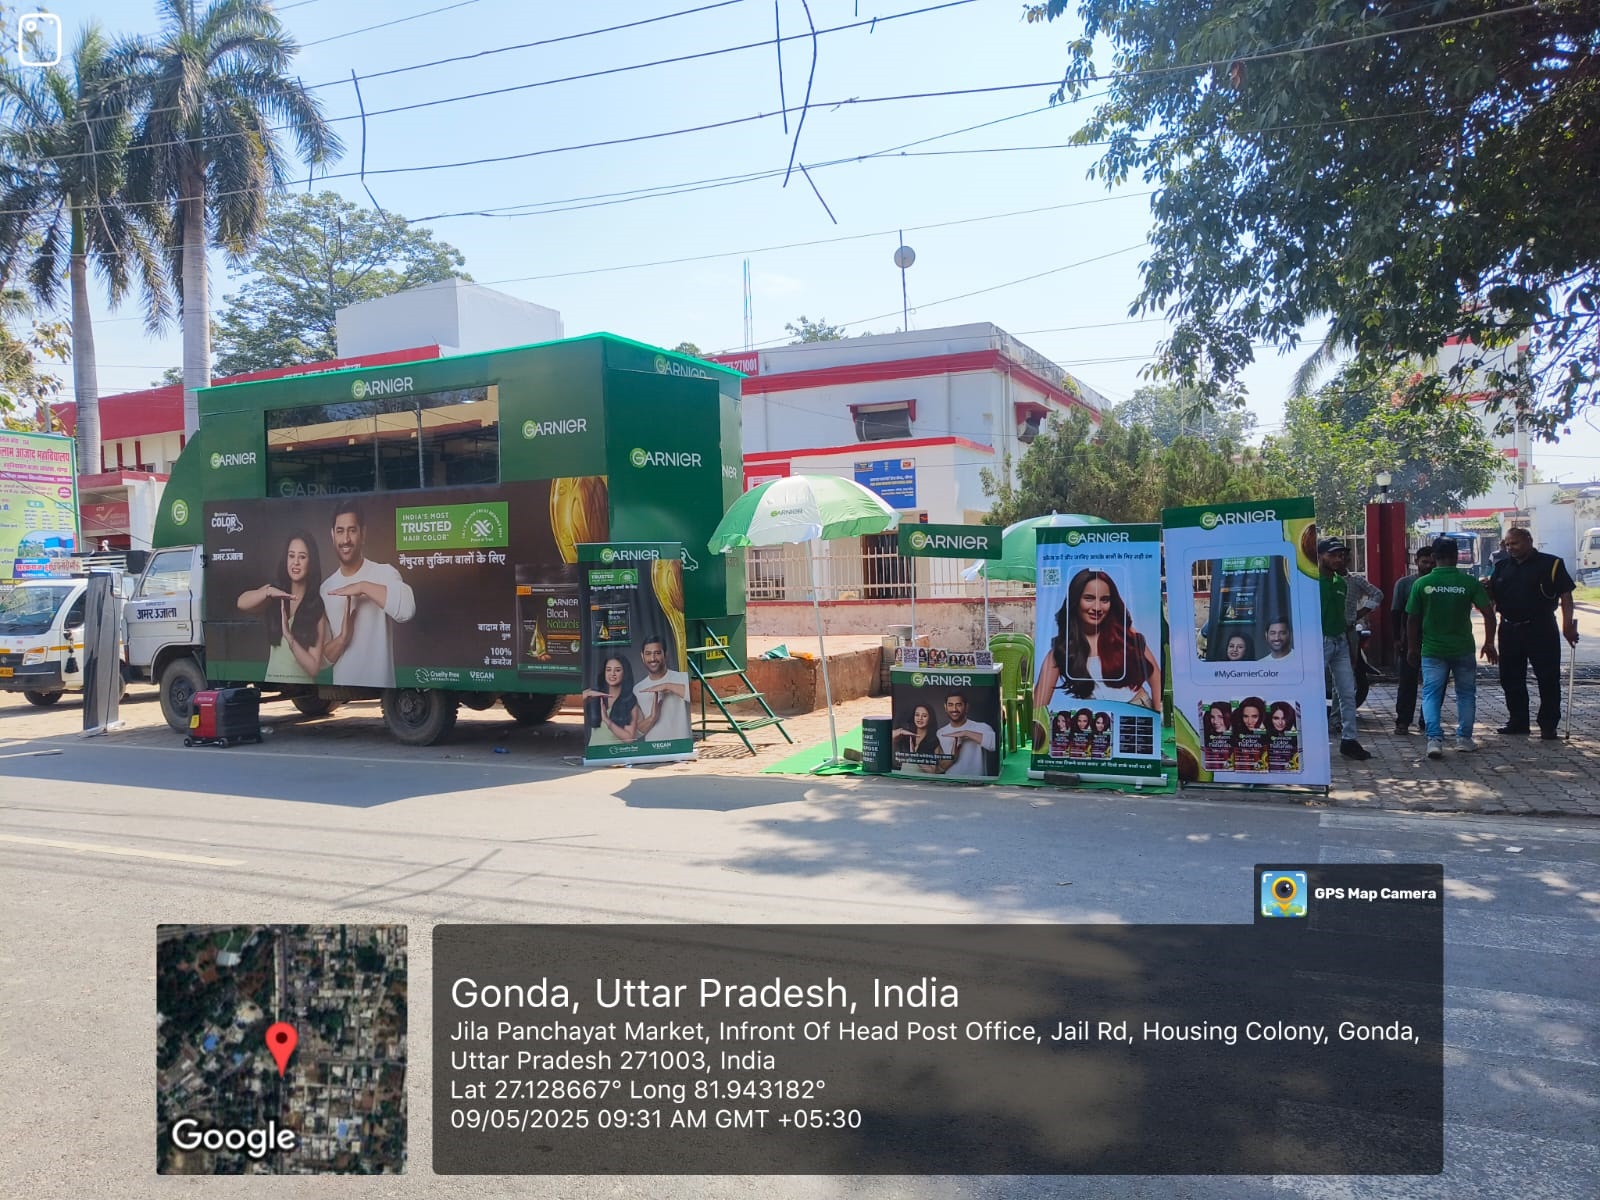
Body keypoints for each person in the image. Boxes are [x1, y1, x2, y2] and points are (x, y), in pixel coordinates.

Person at [1033, 569, 1161, 746]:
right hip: (1096, 724)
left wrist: (1156, 717)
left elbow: (1155, 676)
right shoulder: (1062, 651)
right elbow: (1039, 705)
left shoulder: (1127, 637)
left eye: (1105, 600)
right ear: (1075, 601)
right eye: (1089, 598)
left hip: (1136, 712)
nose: (1097, 608)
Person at [1407, 537, 1498, 759]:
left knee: (1431, 695)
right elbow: (1489, 614)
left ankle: (1434, 741)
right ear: (1457, 556)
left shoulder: (1421, 584)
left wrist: (1411, 648)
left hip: (1432, 650)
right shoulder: (1469, 583)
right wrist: (1489, 642)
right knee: (1466, 694)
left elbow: (1412, 619)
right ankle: (1464, 739)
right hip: (1463, 648)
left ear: (1434, 557)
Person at [1486, 527, 1580, 739]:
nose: (1510, 548)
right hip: (1509, 628)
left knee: (1547, 677)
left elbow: (1566, 596)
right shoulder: (1501, 567)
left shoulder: (1552, 563)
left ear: (1528, 540)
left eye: (1515, 543)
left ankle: (1548, 725)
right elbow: (1492, 600)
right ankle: (1518, 721)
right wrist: (1489, 638)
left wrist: (1567, 627)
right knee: (1510, 677)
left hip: (1541, 628)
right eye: (1507, 544)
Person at [319, 502, 417, 687]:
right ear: (332, 535)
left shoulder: (384, 573)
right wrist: (342, 639)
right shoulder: (326, 589)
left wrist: (363, 586)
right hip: (345, 688)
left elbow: (407, 610)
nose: (346, 539)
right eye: (340, 531)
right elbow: (323, 659)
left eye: (352, 530)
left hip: (381, 688)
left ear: (363, 533)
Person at [236, 531, 328, 684]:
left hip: (302, 684)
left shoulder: (316, 607)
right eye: (291, 556)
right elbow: (241, 602)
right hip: (273, 679)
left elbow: (313, 668)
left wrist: (289, 637)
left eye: (302, 557)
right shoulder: (273, 595)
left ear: (311, 562)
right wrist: (268, 592)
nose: (296, 562)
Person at [1318, 537, 1372, 760]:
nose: (1339, 559)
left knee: (1348, 692)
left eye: (1341, 555)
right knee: (1313, 691)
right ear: (1320, 556)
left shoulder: (1341, 583)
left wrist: (1350, 644)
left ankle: (1349, 739)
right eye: (1333, 554)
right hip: (1319, 640)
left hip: (1339, 639)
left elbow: (1344, 616)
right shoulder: (1311, 582)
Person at [1389, 545, 1436, 735]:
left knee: (1432, 683)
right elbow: (1395, 612)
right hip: (1409, 640)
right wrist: (1396, 639)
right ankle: (1403, 721)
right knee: (1407, 682)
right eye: (1425, 562)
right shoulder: (1404, 584)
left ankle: (1428, 720)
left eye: (1432, 562)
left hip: (1434, 641)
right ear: (1416, 562)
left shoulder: (1439, 584)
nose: (1428, 566)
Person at [633, 635, 691, 743]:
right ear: (642, 656)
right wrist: (652, 717)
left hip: (682, 749)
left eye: (657, 653)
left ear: (666, 654)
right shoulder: (637, 689)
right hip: (655, 752)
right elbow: (636, 731)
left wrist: (667, 686)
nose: (653, 658)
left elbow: (696, 697)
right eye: (648, 654)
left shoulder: (683, 678)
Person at [936, 691, 996, 779]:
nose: (954, 709)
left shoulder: (982, 727)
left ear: (966, 707)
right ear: (945, 707)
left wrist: (966, 733)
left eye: (958, 705)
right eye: (950, 705)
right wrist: (952, 758)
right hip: (951, 783)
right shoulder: (940, 732)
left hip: (977, 782)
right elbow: (940, 765)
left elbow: (995, 745)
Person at [583, 654, 640, 745]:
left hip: (614, 754)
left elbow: (629, 738)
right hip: (595, 754)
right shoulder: (595, 696)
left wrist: (607, 720)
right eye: (608, 669)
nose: (612, 674)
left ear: (625, 673)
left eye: (617, 670)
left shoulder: (630, 701)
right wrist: (586, 694)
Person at [894, 703, 943, 773]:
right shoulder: (905, 735)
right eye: (917, 715)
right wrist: (900, 731)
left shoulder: (934, 741)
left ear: (930, 719)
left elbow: (933, 770)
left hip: (920, 781)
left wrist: (916, 758)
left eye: (924, 716)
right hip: (903, 779)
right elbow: (888, 738)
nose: (920, 718)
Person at [1233, 696, 1269, 772]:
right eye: (1245, 716)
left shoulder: (1269, 733)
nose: (1249, 721)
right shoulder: (1236, 733)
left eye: (1254, 716)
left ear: (1262, 716)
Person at [1202, 701, 1234, 772]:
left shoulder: (1237, 742)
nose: (1215, 721)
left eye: (1220, 717)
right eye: (1212, 717)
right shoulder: (1206, 741)